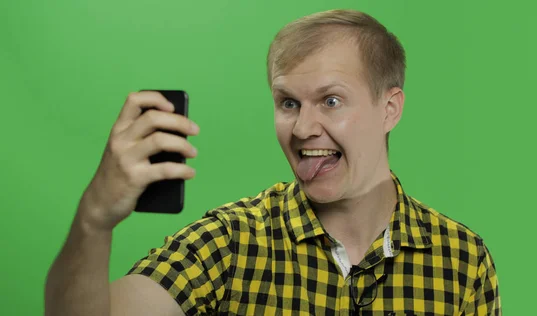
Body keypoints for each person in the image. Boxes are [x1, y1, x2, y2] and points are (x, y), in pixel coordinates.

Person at [45, 9, 501, 316]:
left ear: (390, 108)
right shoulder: (229, 241)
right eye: (287, 103)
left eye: (331, 100)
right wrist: (93, 221)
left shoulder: (463, 259)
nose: (303, 128)